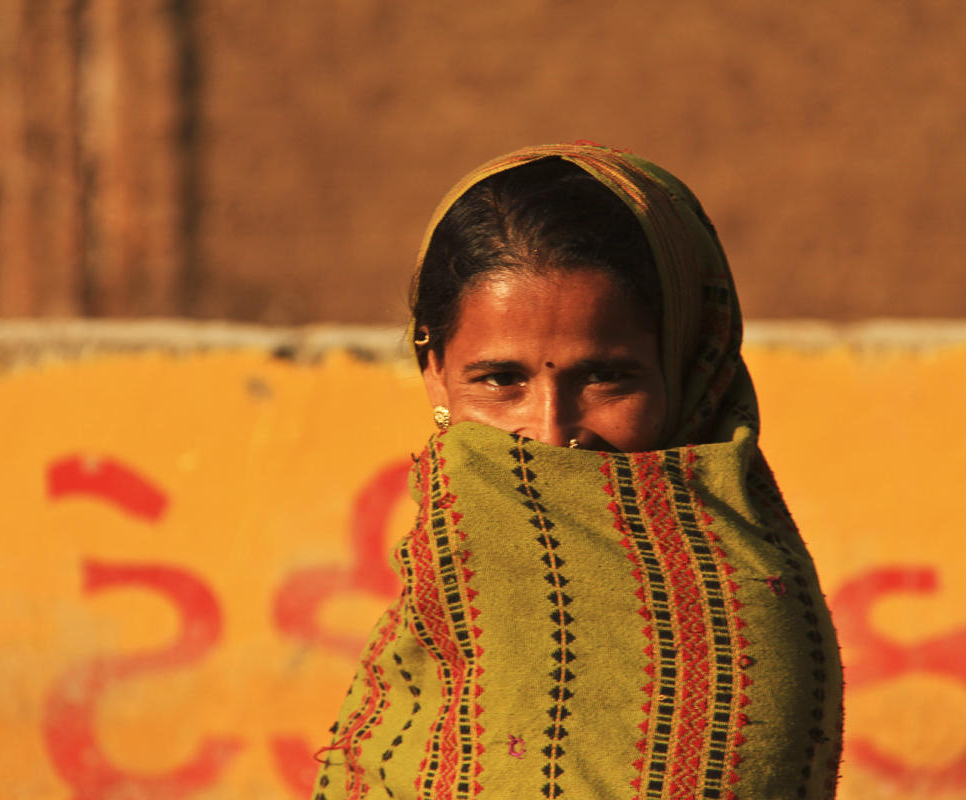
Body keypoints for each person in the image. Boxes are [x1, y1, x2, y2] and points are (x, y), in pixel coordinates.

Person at [312, 143, 843, 800]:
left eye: (607, 378)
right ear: (435, 370)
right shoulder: (433, 608)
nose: (553, 431)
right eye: (501, 380)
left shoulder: (741, 620)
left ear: (688, 364)